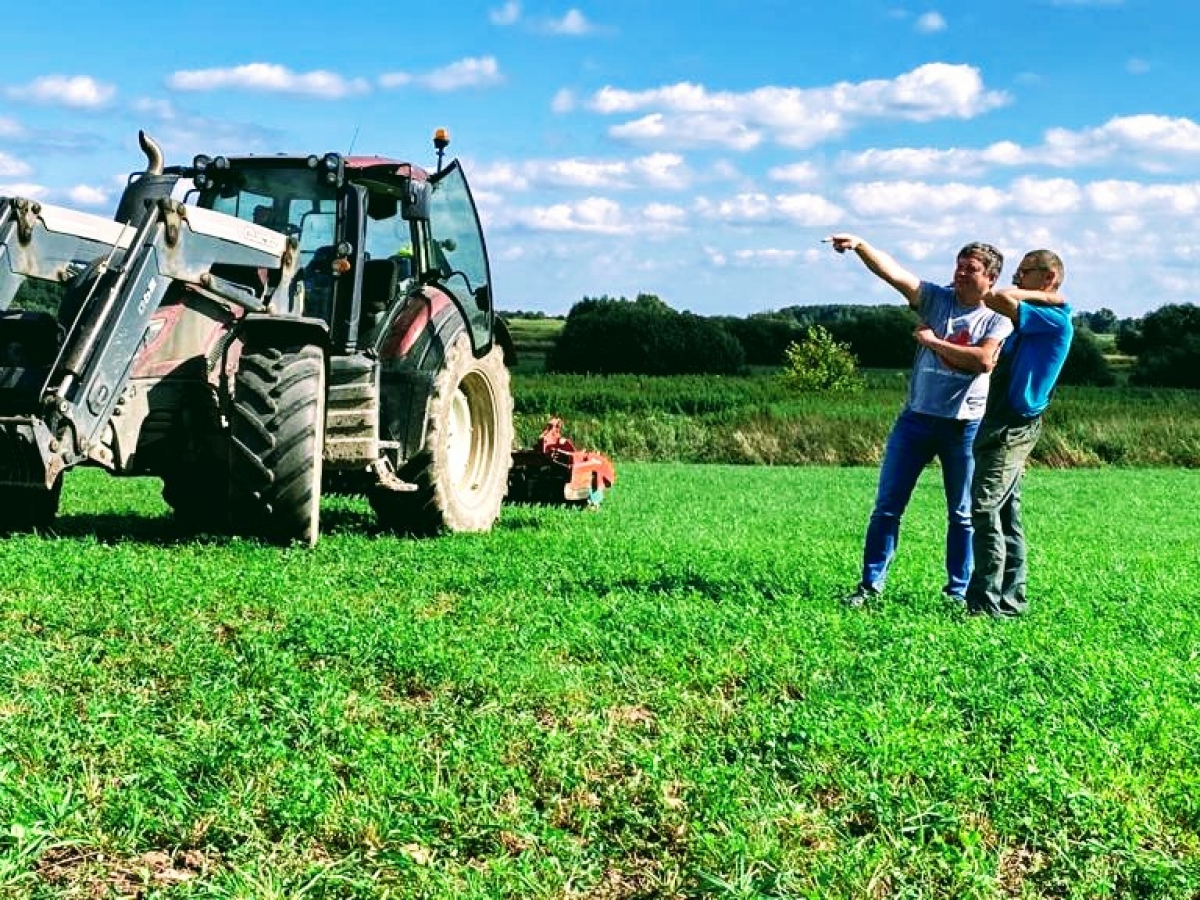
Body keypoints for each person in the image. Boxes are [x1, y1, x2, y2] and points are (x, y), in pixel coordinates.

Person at [827, 233, 1014, 607]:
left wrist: (930, 341)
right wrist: (863, 246)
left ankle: (956, 592)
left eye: (971, 269)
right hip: (915, 421)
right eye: (959, 266)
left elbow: (982, 362)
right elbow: (895, 275)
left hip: (963, 426)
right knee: (887, 507)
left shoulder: (999, 316)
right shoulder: (936, 299)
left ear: (991, 278)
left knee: (961, 514)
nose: (960, 274)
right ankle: (869, 586)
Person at [964, 250, 1072, 617]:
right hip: (998, 421)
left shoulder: (1054, 319)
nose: (1016, 278)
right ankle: (1012, 600)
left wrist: (1049, 296)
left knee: (983, 508)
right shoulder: (1038, 320)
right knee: (1006, 512)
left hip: (1013, 424)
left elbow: (993, 297)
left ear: (1048, 277)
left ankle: (984, 602)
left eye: (1024, 272)